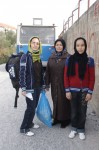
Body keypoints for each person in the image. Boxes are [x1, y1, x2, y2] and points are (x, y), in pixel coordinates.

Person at [64, 37, 95, 140]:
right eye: (78, 45)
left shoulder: (89, 61)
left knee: (82, 111)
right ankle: (74, 128)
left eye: (82, 45)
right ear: (75, 47)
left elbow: (92, 78)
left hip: (84, 92)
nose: (80, 48)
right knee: (73, 111)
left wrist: (89, 92)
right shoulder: (70, 59)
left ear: (85, 46)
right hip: (72, 91)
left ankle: (81, 129)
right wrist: (67, 90)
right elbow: (66, 76)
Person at [19, 36, 44, 136]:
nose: (35, 45)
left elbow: (40, 73)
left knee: (34, 106)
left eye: (37, 43)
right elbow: (22, 73)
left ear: (39, 45)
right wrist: (23, 87)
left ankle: (30, 123)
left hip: (37, 87)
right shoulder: (25, 57)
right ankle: (24, 127)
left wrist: (43, 84)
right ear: (30, 44)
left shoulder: (38, 57)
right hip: (29, 88)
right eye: (33, 43)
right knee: (30, 107)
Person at [45, 38, 71, 128]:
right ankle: (56, 118)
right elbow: (47, 71)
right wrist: (47, 83)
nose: (59, 46)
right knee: (55, 100)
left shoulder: (68, 57)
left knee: (64, 101)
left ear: (63, 46)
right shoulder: (51, 57)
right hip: (54, 83)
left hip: (65, 84)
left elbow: (71, 72)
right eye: (57, 45)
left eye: (60, 45)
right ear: (55, 46)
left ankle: (65, 119)